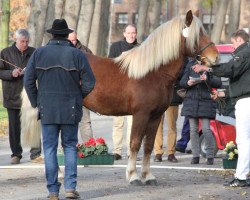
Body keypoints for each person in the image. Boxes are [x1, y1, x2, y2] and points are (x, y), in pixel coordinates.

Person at [24, 19, 95, 199]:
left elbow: (28, 81)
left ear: (52, 34)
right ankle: (70, 187)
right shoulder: (77, 54)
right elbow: (90, 82)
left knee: (49, 148)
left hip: (47, 107)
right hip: (70, 107)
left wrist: (36, 101)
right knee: (70, 146)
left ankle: (53, 190)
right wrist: (78, 97)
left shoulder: (39, 53)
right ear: (66, 34)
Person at [192, 29, 250, 187]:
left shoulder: (244, 52)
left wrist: (207, 68)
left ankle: (241, 177)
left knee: (243, 140)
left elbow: (230, 69)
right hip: (245, 99)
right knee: (246, 140)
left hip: (246, 102)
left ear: (239, 39)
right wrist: (224, 93)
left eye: (232, 42)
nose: (232, 46)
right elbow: (243, 82)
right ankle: (242, 175)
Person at [0, 29, 43, 164]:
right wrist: (11, 73)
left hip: (30, 94)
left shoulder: (34, 52)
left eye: (27, 41)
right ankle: (16, 154)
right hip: (12, 94)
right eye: (22, 41)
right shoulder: (5, 53)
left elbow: (41, 70)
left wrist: (30, 72)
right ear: (15, 40)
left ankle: (35, 154)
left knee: (34, 123)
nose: (25, 44)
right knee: (14, 127)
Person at [180, 58, 222, 165]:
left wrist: (207, 79)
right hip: (191, 101)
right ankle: (195, 156)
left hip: (205, 101)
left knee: (206, 129)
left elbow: (218, 83)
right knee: (193, 130)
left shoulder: (210, 65)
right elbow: (182, 82)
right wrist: (188, 82)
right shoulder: (190, 64)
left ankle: (210, 156)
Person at [108, 24, 139, 160]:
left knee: (133, 124)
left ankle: (130, 151)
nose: (131, 35)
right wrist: (122, 58)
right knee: (118, 123)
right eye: (129, 33)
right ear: (124, 34)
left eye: (133, 33)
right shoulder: (115, 47)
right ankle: (117, 151)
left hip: (135, 90)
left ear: (136, 34)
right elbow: (109, 65)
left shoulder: (141, 48)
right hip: (119, 90)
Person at [153, 59, 188, 163]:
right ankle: (158, 152)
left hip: (172, 97)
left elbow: (182, 74)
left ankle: (171, 153)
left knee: (172, 126)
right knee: (157, 125)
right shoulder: (158, 57)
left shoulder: (178, 59)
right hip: (158, 96)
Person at [68, 31, 94, 143]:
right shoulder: (62, 52)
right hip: (66, 92)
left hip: (82, 92)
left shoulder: (86, 51)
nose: (72, 42)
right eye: (70, 40)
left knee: (85, 121)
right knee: (67, 121)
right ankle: (67, 147)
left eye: (74, 40)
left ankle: (89, 147)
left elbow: (92, 72)